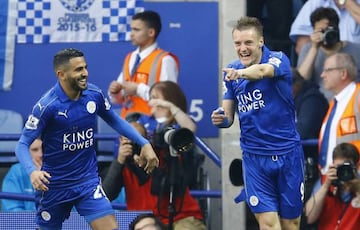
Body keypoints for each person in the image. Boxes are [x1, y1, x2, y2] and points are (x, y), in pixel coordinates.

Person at [14, 48, 159, 230]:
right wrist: (32, 172)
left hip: (87, 182)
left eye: (85, 67)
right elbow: (22, 145)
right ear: (61, 74)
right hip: (54, 186)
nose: (85, 73)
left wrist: (143, 142)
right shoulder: (46, 107)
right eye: (78, 70)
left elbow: (115, 120)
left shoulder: (94, 94)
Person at [211, 16, 304, 229]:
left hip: (288, 154)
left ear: (260, 42)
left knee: (291, 224)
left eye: (248, 43)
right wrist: (220, 119)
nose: (242, 48)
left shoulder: (278, 59)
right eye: (238, 43)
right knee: (268, 224)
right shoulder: (232, 72)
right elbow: (227, 117)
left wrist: (240, 74)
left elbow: (262, 72)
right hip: (254, 158)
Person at [103, 81, 206, 230]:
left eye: (139, 139)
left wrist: (170, 107)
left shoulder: (161, 149)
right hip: (144, 221)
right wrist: (120, 160)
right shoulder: (123, 159)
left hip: (180, 217)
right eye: (128, 138)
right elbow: (107, 194)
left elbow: (189, 130)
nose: (134, 143)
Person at [108, 10, 179, 118]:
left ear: (151, 32)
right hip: (128, 124)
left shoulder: (165, 60)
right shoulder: (130, 57)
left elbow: (169, 99)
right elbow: (118, 99)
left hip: (152, 126)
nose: (131, 34)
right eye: (131, 29)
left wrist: (138, 89)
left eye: (136, 30)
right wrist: (115, 92)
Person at [296, 6, 360, 101]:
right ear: (314, 31)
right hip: (319, 102)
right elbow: (302, 80)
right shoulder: (308, 49)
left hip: (350, 102)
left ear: (337, 28)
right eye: (322, 31)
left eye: (329, 29)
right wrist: (314, 48)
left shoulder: (356, 49)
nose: (327, 34)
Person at [292, 69, 328, 230]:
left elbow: (302, 131)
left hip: (310, 170)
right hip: (290, 172)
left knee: (304, 221)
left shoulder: (312, 99)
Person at [318, 52, 360, 176]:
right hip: (330, 177)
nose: (322, 75)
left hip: (353, 177)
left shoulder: (357, 96)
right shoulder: (334, 103)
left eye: (328, 70)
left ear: (343, 73)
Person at [305, 142, 360, 229]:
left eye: (346, 168)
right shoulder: (325, 181)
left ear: (356, 167)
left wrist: (358, 191)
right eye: (339, 168)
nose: (343, 172)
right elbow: (309, 218)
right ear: (333, 165)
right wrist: (326, 186)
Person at [290, 0, 360, 55]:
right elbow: (301, 46)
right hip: (323, 64)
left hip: (355, 62)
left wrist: (346, 2)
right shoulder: (315, 3)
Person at [1, 139, 42, 211]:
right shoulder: (16, 171)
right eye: (35, 150)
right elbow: (11, 210)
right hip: (22, 221)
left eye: (44, 149)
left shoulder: (59, 171)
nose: (41, 154)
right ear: (25, 153)